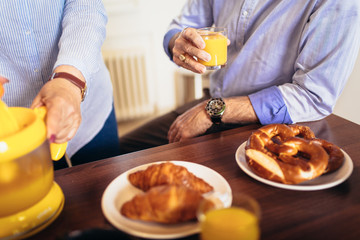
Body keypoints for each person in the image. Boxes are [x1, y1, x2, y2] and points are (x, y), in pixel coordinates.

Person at [119, 0, 360, 153]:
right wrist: (177, 42)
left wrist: (212, 110)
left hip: (274, 128)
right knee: (120, 151)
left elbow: (314, 95)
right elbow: (181, 25)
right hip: (212, 103)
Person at [0, 0, 120, 169]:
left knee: (105, 187)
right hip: (16, 125)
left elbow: (86, 6)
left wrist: (69, 81)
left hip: (90, 110)